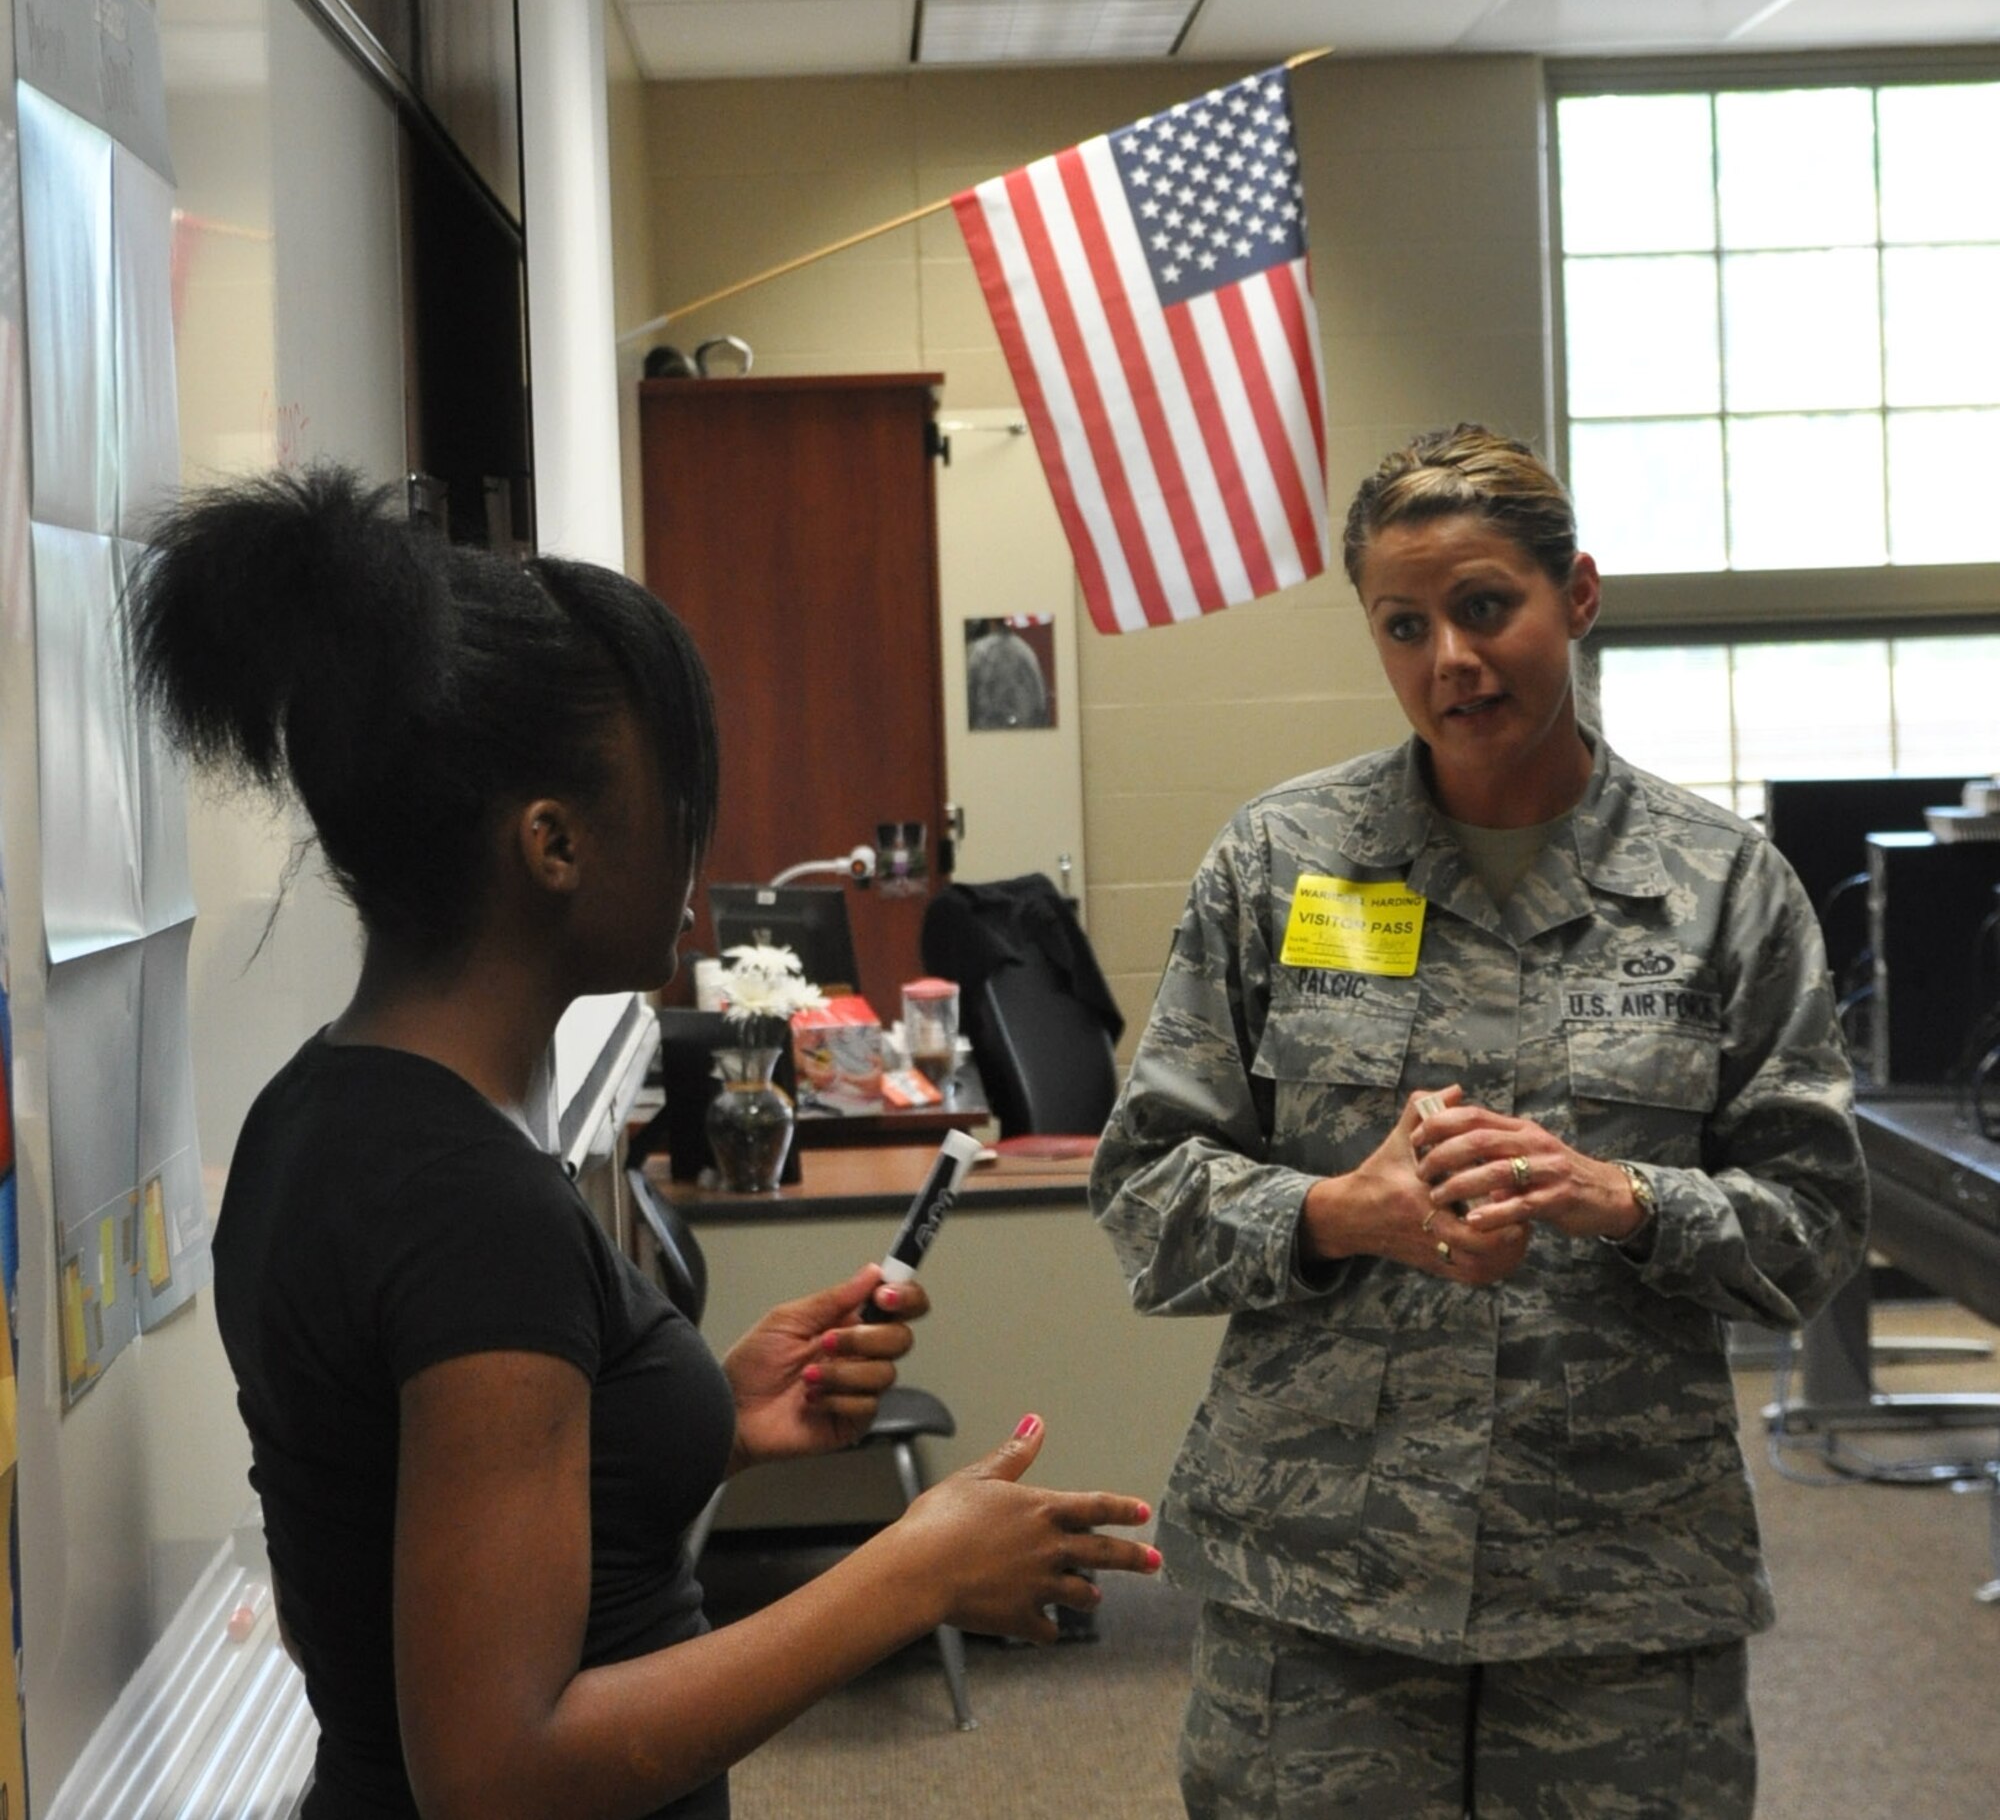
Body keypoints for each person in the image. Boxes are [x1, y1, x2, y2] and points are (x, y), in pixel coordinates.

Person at [128, 466, 1160, 1820]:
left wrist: (708, 1412)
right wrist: (913, 1572)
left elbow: (432, 1505)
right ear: (551, 843)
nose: (699, 837)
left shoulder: (325, 1111)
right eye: (676, 791)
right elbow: (501, 1770)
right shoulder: (464, 1205)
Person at [1090, 425, 1868, 1819]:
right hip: (1324, 1587)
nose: (1448, 656)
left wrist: (1625, 1198)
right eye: (1404, 624)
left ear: (1576, 597)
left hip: (1617, 1596)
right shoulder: (1279, 864)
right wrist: (1339, 1211)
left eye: (1484, 606)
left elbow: (1813, 1230)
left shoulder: (1723, 890)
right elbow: (1146, 1189)